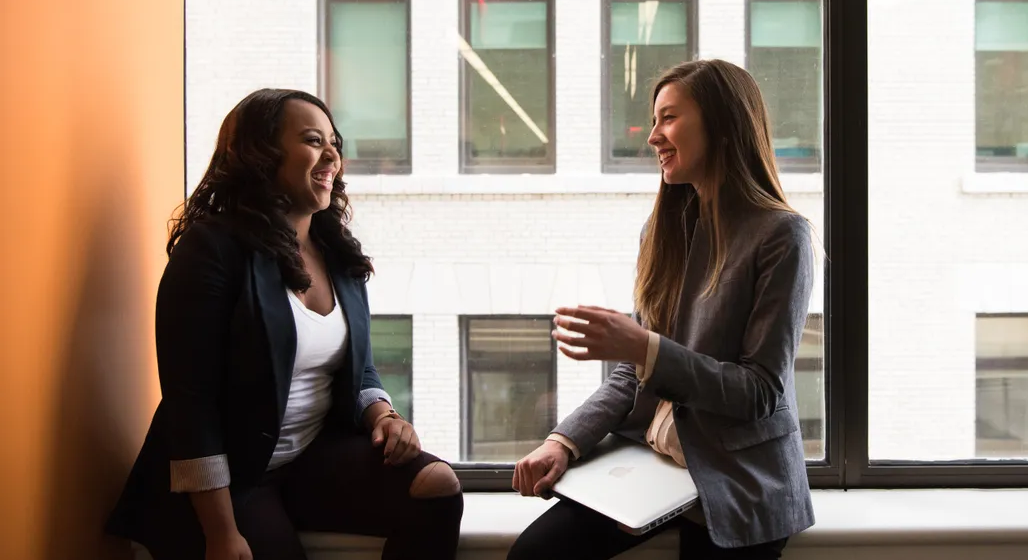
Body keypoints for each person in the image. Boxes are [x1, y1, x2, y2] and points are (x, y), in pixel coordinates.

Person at [106, 89, 463, 560]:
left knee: (437, 486)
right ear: (260, 154)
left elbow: (357, 369)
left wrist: (384, 415)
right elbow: (190, 406)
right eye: (314, 140)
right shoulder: (211, 250)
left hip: (308, 459)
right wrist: (220, 532)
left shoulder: (335, 250)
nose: (332, 154)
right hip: (225, 483)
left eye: (334, 141)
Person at [508, 59, 817, 560]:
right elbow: (632, 376)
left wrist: (644, 346)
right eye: (655, 121)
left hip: (737, 477)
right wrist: (563, 442)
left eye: (668, 118)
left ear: (722, 124)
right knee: (534, 556)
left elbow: (760, 392)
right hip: (654, 464)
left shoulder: (783, 236)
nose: (653, 137)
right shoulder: (663, 232)